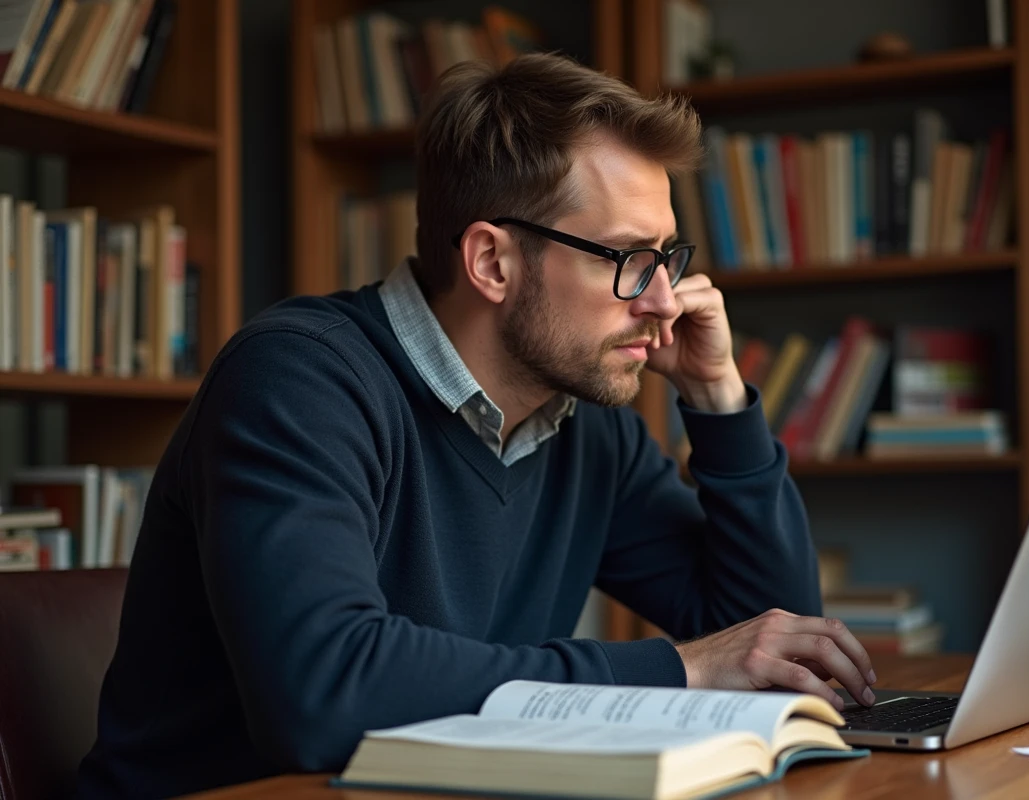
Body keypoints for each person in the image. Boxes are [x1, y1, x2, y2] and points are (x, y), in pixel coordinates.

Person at [74, 53, 876, 799]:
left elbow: (781, 649)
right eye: (628, 258)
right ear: (492, 262)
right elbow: (321, 694)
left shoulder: (585, 426)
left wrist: (717, 398)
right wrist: (679, 669)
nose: (665, 300)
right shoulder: (298, 379)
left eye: (668, 257)